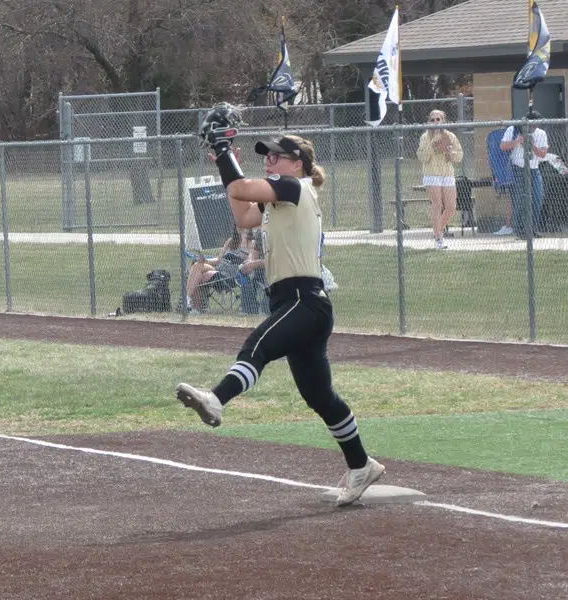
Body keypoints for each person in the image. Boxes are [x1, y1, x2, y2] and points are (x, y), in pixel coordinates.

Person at [176, 104, 385, 506]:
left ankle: (216, 399)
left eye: (276, 155)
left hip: (304, 302)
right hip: (300, 304)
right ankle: (362, 466)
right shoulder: (281, 198)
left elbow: (240, 190)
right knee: (319, 396)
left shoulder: (296, 187)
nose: (269, 159)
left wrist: (224, 152)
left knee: (258, 346)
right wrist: (224, 157)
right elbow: (241, 212)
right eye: (265, 155)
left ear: (298, 164)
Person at [416, 110, 464, 249]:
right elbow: (422, 157)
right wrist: (432, 144)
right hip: (432, 174)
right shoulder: (425, 137)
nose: (436, 122)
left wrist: (450, 152)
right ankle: (439, 238)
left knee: (451, 207)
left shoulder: (450, 136)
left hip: (447, 174)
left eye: (438, 119)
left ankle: (437, 230)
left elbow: (459, 156)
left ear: (443, 120)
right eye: (433, 120)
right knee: (437, 204)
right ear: (429, 121)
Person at [500, 109, 549, 239]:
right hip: (518, 168)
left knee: (537, 198)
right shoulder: (513, 129)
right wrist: (518, 141)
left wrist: (531, 145)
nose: (534, 128)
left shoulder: (541, 133)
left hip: (534, 169)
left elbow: (543, 154)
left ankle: (531, 229)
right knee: (520, 200)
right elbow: (503, 146)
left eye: (536, 125)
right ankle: (521, 231)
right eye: (531, 125)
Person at [186, 227, 256, 312]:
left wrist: (244, 240)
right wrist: (205, 261)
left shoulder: (252, 243)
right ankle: (189, 299)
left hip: (233, 275)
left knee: (199, 276)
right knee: (197, 264)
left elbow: (251, 261)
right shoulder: (231, 241)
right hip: (218, 270)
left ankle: (194, 306)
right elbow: (218, 260)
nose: (240, 227)